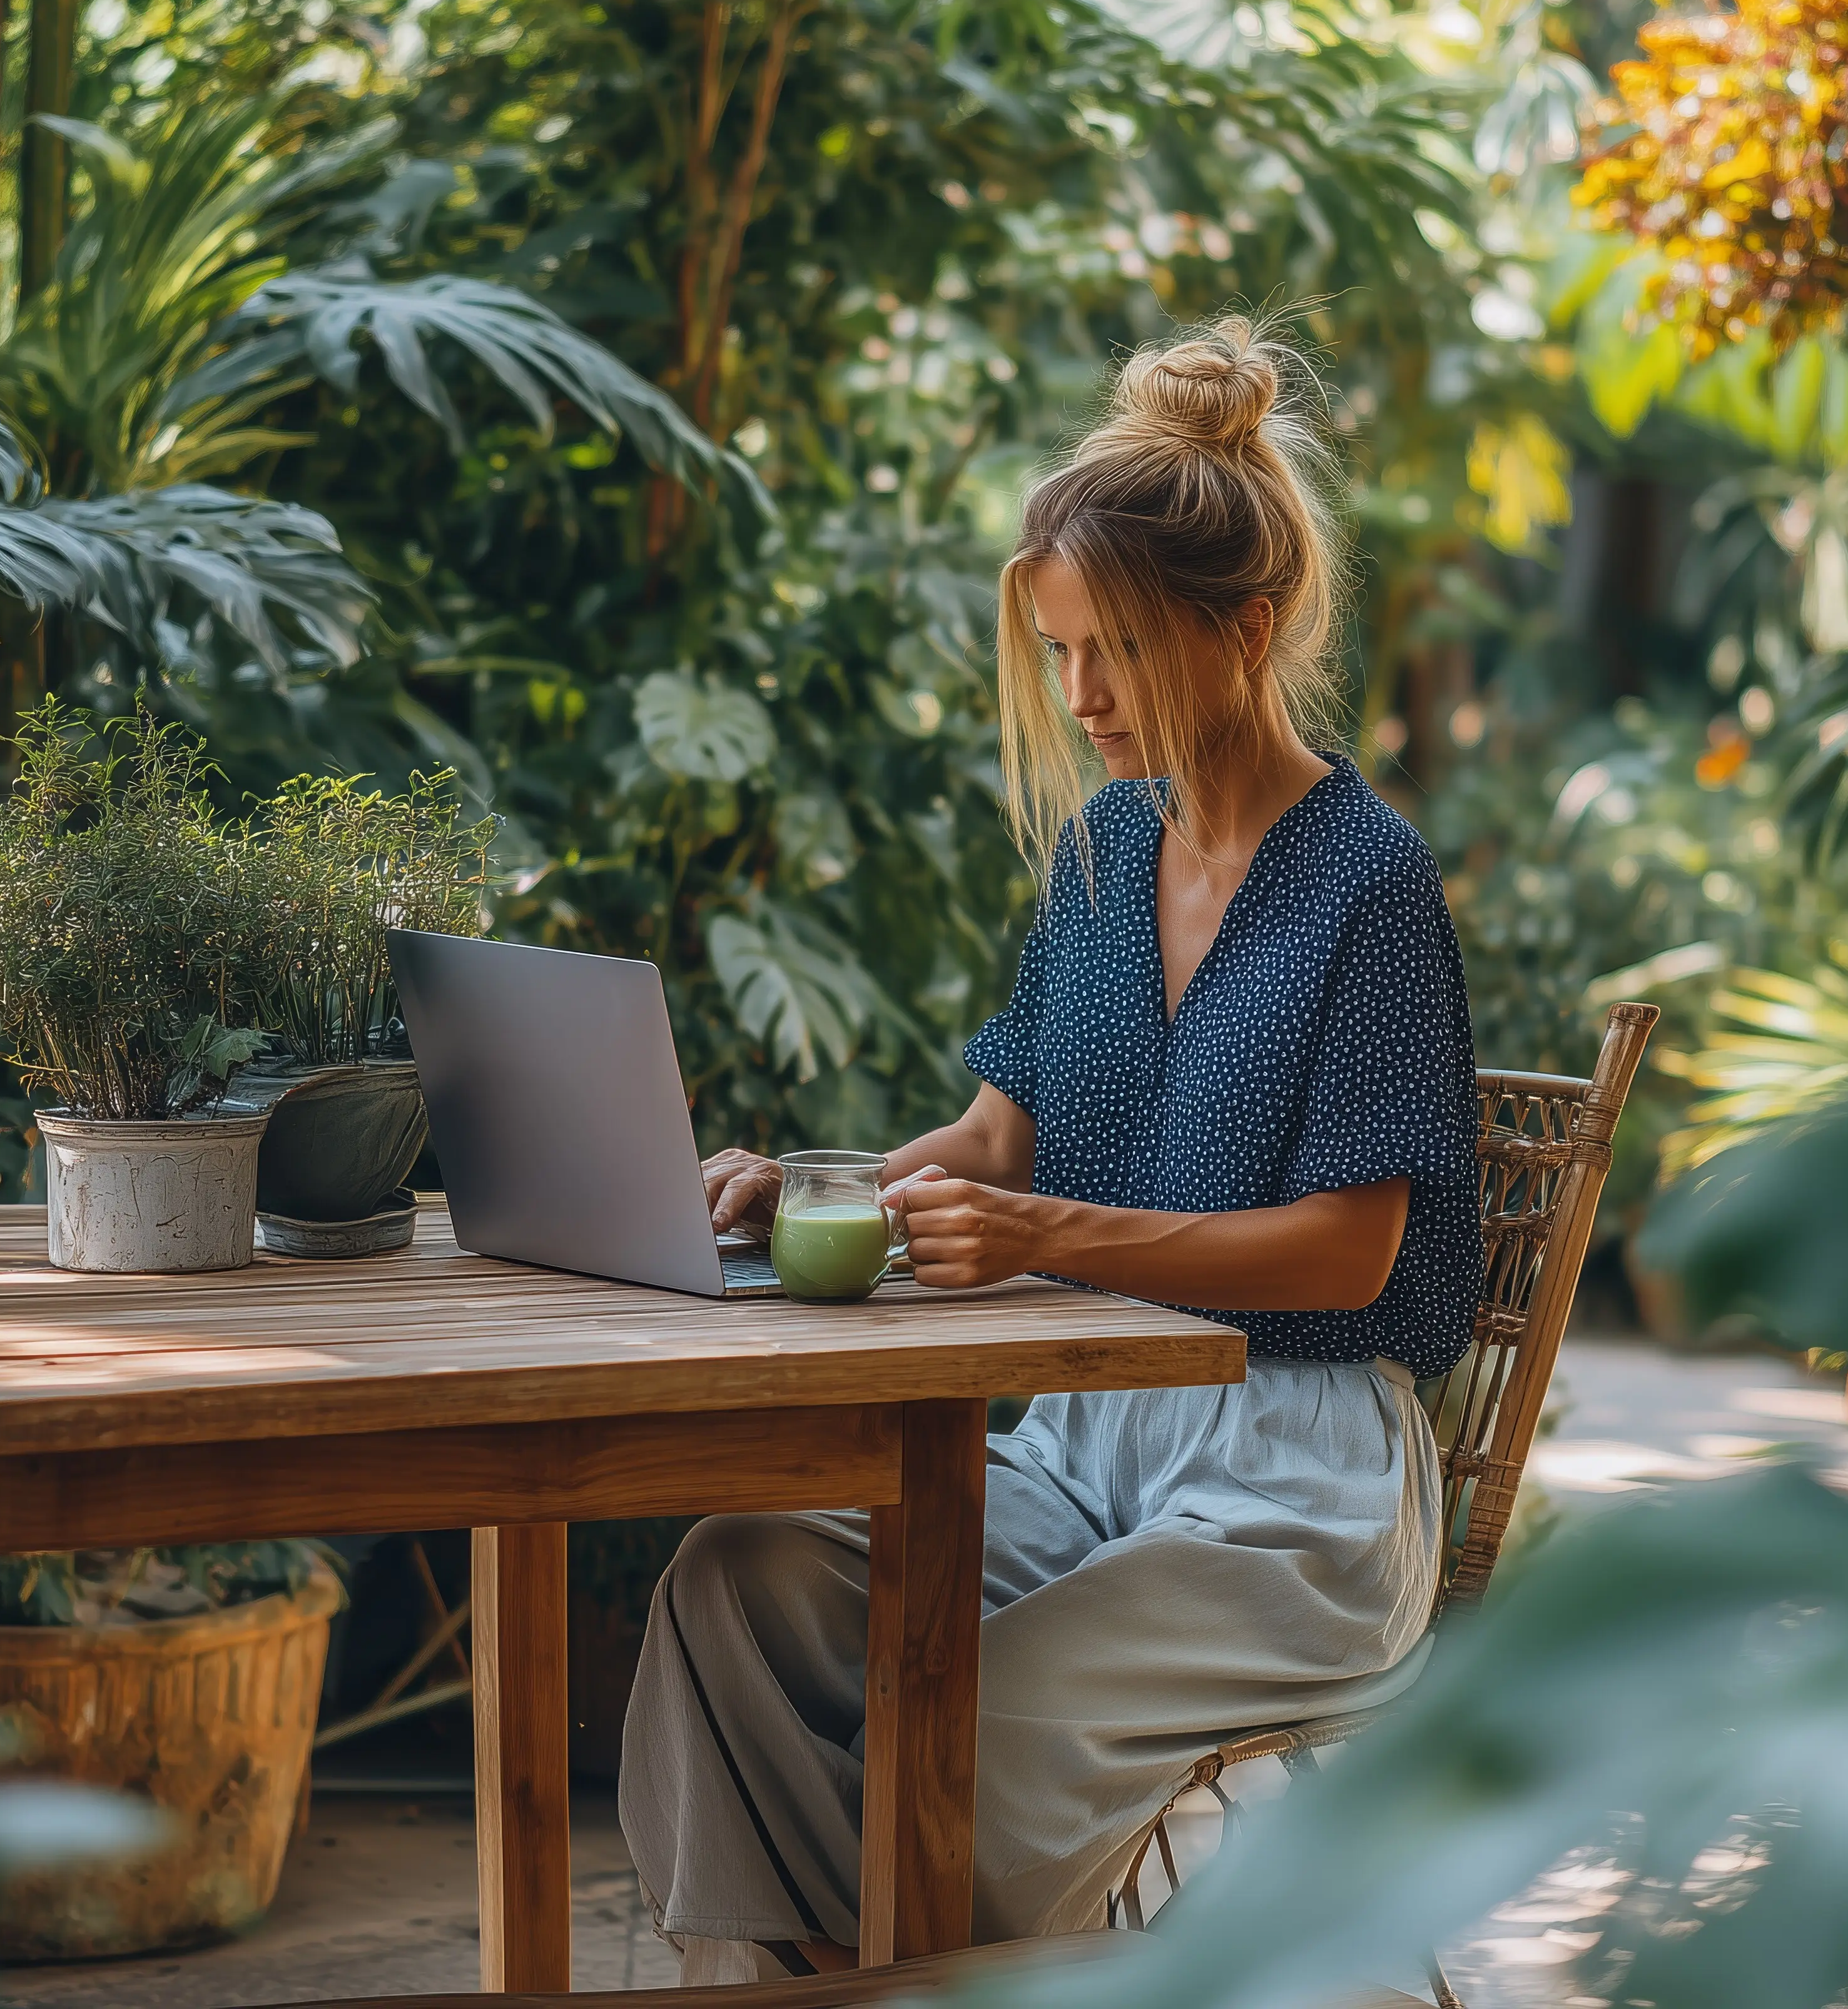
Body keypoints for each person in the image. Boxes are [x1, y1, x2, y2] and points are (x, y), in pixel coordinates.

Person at [619, 317, 1481, 1980]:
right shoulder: (1102, 852)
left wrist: (1051, 1236)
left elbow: (1349, 1253)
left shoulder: (1369, 883)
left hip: (1292, 1491)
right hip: (1090, 1454)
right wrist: (818, 1185)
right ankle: (822, 1972)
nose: (1081, 698)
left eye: (1120, 654)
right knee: (735, 1587)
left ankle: (892, 1968)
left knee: (970, 1729)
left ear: (1252, 627)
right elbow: (1000, 1133)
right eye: (1060, 653)